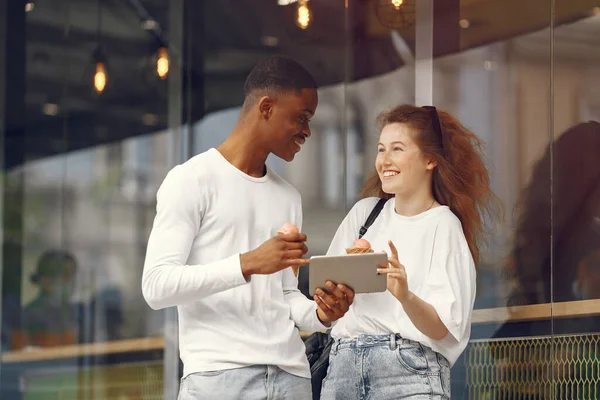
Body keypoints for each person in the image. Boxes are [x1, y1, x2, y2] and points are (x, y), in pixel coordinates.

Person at [142, 56, 355, 400]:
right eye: (301, 117)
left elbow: (283, 295)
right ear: (267, 107)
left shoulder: (288, 197)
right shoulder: (190, 180)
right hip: (218, 380)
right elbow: (156, 286)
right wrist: (247, 263)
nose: (308, 131)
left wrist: (321, 314)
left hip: (291, 379)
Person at [320, 104, 500, 399]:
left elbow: (443, 329)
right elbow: (328, 301)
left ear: (430, 159)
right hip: (343, 372)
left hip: (408, 372)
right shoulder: (365, 214)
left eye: (397, 149)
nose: (384, 160)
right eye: (380, 149)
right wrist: (332, 293)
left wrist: (404, 294)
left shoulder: (443, 225)